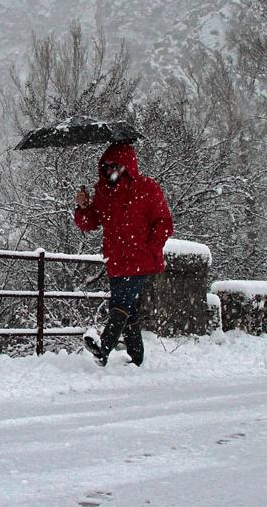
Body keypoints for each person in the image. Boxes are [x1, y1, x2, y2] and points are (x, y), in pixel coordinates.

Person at [74, 142, 173, 366]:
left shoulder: (147, 188)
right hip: (116, 261)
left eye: (114, 166)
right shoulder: (103, 192)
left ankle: (104, 347)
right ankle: (137, 358)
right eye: (106, 166)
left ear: (126, 166)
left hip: (140, 260)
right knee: (127, 308)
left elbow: (164, 223)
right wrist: (82, 208)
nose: (109, 171)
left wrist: (149, 247)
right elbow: (90, 223)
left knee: (120, 303)